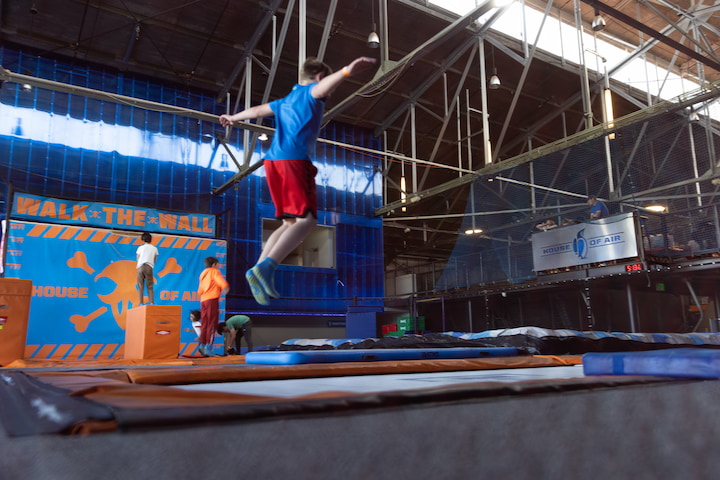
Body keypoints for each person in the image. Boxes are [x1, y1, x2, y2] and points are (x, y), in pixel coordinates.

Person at [219, 55, 378, 305]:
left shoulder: (285, 100)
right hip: (294, 162)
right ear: (318, 77)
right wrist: (348, 70)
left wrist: (233, 117)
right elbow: (327, 86)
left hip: (273, 162)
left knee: (289, 222)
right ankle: (267, 267)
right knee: (308, 220)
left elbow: (258, 111)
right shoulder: (312, 93)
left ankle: (258, 268)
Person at [197, 257, 229, 357]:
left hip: (203, 300)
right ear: (214, 264)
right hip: (212, 300)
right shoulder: (214, 271)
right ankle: (208, 347)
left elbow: (200, 290)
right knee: (212, 324)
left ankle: (202, 345)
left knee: (205, 323)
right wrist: (225, 286)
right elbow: (221, 282)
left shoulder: (203, 274)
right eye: (217, 264)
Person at [136, 232, 158, 305]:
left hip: (141, 267)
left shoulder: (140, 248)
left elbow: (138, 257)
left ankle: (141, 303)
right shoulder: (154, 248)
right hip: (149, 267)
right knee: (150, 286)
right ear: (151, 239)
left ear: (143, 239)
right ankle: (151, 302)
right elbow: (155, 259)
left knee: (140, 285)